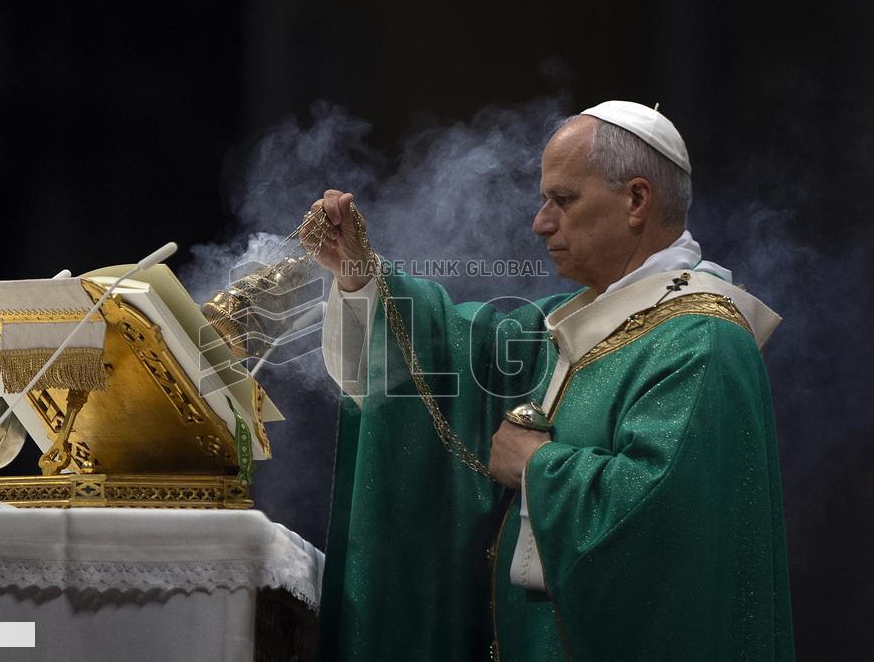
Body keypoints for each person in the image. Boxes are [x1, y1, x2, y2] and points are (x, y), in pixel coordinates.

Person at [306, 101, 795, 661]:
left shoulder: (700, 341)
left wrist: (536, 466)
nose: (541, 222)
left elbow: (662, 524)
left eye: (563, 200)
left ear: (637, 200)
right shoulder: (568, 322)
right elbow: (454, 354)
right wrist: (360, 277)